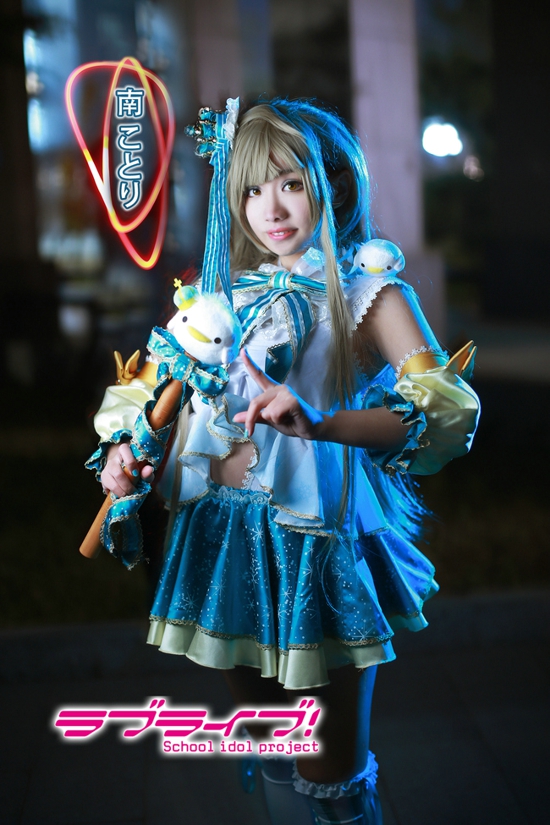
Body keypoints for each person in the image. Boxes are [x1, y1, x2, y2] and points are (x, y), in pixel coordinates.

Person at [89, 98, 480, 825]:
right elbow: (144, 395)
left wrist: (324, 424)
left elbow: (445, 408)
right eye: (250, 189)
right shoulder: (219, 296)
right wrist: (122, 452)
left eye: (291, 183)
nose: (269, 208)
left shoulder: (368, 291)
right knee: (271, 746)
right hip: (219, 536)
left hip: (314, 547)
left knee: (331, 773)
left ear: (335, 182)